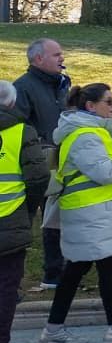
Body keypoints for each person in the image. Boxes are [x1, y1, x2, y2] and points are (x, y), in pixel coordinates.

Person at [39, 82, 112, 343]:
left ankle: (54, 330)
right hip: (91, 214)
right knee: (107, 269)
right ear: (91, 106)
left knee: (78, 270)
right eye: (109, 102)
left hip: (93, 214)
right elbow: (105, 172)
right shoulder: (86, 136)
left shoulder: (89, 132)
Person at [0, 81, 50, 343]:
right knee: (6, 286)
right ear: (11, 103)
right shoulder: (21, 131)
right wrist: (28, 208)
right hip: (10, 218)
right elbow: (37, 178)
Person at [13, 38, 69, 290]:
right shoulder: (23, 88)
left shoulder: (61, 84)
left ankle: (63, 267)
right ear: (38, 59)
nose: (62, 58)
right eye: (56, 54)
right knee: (46, 217)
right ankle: (52, 273)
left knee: (59, 216)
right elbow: (18, 127)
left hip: (63, 160)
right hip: (37, 163)